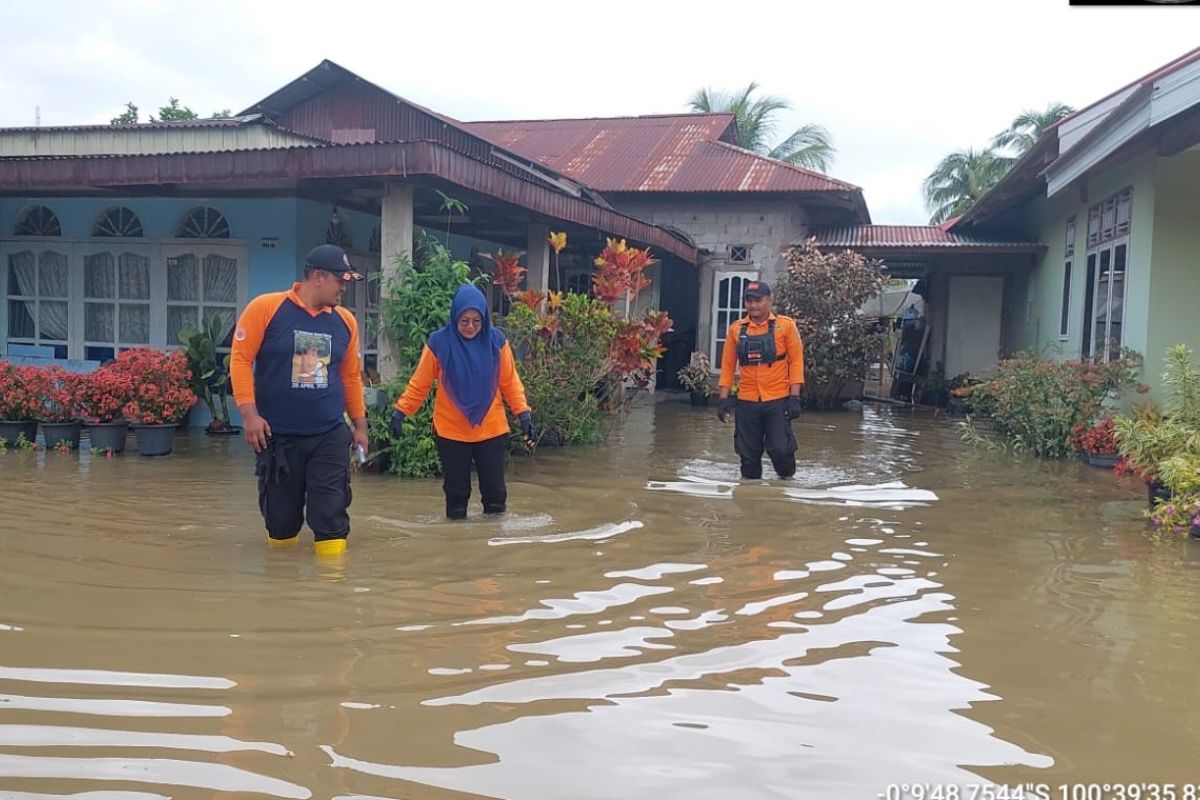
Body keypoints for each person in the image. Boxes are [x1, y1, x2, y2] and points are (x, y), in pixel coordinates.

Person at [230, 244, 370, 556]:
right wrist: (249, 415)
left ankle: (332, 592)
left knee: (331, 513)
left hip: (329, 434)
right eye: (340, 280)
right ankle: (282, 590)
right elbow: (240, 361)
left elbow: (350, 377)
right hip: (277, 436)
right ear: (318, 277)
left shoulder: (345, 322)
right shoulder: (266, 308)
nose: (344, 288)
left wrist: (360, 426)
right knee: (280, 521)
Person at [390, 284, 536, 520]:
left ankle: (492, 548)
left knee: (496, 496)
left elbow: (510, 382)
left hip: (492, 430)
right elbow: (420, 383)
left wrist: (524, 415)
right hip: (451, 432)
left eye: (476, 321)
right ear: (455, 316)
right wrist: (400, 412)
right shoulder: (439, 343)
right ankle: (457, 546)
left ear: (485, 319)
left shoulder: (496, 342)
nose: (470, 327)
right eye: (464, 321)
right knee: (456, 497)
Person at [715, 280, 805, 479]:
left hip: (778, 399)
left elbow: (796, 362)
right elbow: (728, 366)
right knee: (748, 457)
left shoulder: (786, 326)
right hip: (747, 401)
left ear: (769, 300)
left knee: (780, 450)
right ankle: (750, 499)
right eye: (749, 301)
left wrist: (794, 397)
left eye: (758, 300)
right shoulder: (736, 329)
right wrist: (723, 400)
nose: (753, 305)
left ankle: (787, 486)